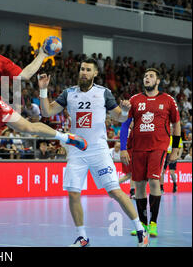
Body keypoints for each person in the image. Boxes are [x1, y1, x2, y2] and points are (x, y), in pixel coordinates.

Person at [0, 21, 88, 214]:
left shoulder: (0, 60)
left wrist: (42, 55)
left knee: (28, 128)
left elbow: (24, 74)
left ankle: (67, 138)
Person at [39, 58, 149, 247]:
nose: (84, 72)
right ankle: (82, 238)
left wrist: (123, 111)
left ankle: (140, 230)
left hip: (98, 150)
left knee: (114, 191)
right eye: (82, 69)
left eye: (88, 70)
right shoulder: (69, 93)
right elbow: (47, 112)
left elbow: (118, 117)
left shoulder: (103, 93)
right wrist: (43, 90)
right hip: (77, 150)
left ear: (95, 73)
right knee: (73, 193)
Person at [119, 68, 181, 238]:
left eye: (151, 76)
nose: (147, 78)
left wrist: (175, 149)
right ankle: (142, 225)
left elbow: (176, 124)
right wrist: (123, 147)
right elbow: (125, 124)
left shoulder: (168, 100)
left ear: (158, 81)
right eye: (145, 76)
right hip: (138, 148)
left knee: (154, 181)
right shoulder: (135, 100)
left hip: (158, 147)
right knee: (138, 186)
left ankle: (153, 224)